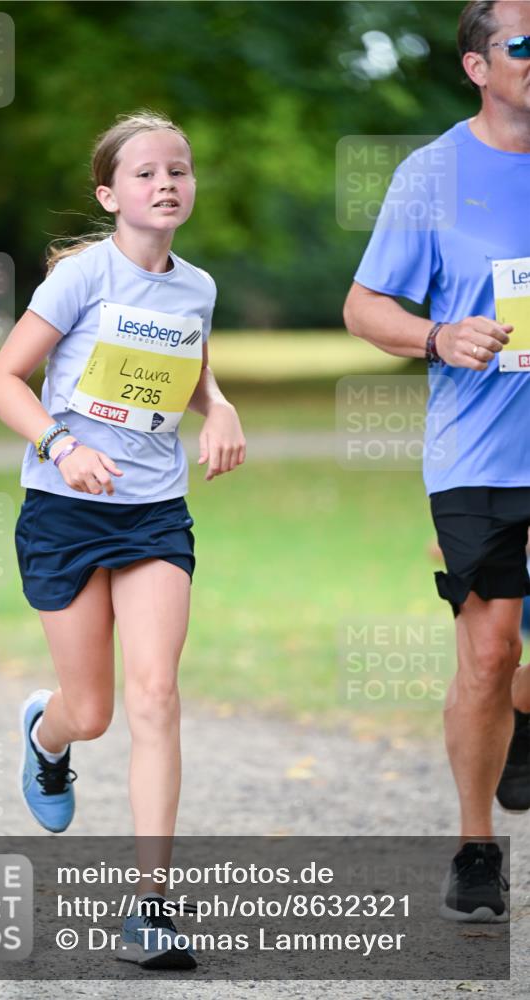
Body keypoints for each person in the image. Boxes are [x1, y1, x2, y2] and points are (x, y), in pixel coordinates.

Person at [0, 111, 246, 968]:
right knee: (91, 713)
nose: (166, 182)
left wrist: (222, 407)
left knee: (156, 696)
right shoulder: (79, 280)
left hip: (153, 512)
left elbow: (189, 363)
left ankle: (150, 909)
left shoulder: (195, 286)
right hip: (64, 508)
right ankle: (46, 738)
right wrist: (62, 444)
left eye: (179, 169)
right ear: (109, 193)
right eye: (145, 173)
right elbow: (1, 379)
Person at [344, 0, 529, 923]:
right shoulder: (430, 175)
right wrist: (436, 335)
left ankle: (522, 719)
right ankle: (474, 847)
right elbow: (362, 305)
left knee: (518, 667)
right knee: (489, 649)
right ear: (476, 66)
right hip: (476, 454)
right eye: (522, 44)